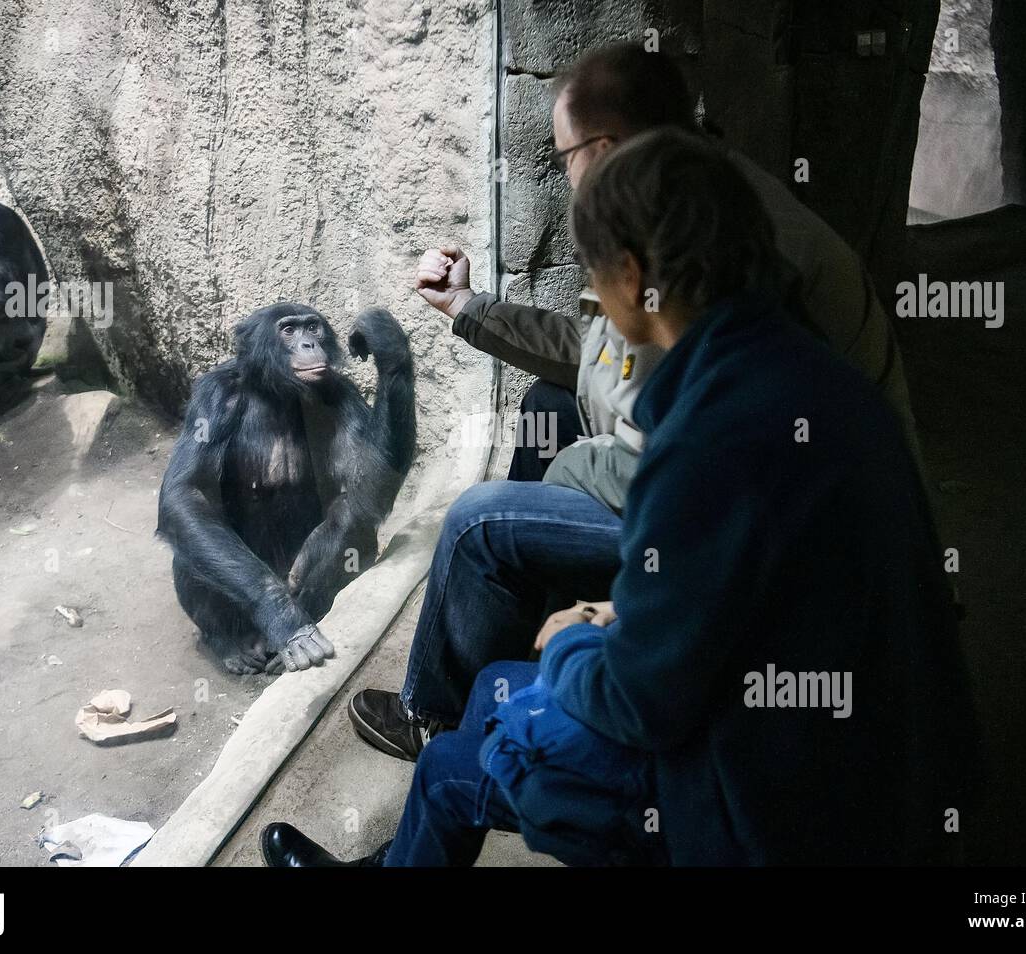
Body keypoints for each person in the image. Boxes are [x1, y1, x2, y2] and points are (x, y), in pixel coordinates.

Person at [262, 128, 975, 866]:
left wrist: (573, 638)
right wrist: (613, 613)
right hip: (888, 762)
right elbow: (736, 600)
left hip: (773, 805)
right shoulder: (807, 377)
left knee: (456, 760)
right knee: (499, 690)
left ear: (637, 281)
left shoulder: (703, 433)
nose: (593, 303)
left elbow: (649, 698)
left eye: (594, 277)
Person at [348, 42, 928, 761]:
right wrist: (471, 308)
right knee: (545, 410)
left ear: (607, 147)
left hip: (786, 536)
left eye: (563, 157)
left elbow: (697, 466)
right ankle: (530, 649)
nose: (565, 178)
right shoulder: (692, 198)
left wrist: (571, 476)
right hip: (753, 484)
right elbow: (605, 356)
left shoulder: (717, 247)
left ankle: (440, 720)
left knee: (476, 522)